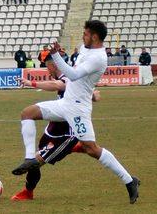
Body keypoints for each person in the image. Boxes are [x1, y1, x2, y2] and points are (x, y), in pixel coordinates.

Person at [12, 20, 140, 204]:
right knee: (27, 113)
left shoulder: (99, 58)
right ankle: (30, 158)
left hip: (78, 109)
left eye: (86, 34)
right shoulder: (85, 48)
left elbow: (72, 75)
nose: (83, 36)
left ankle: (129, 180)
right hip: (66, 103)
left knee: (92, 148)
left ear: (95, 37)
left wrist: (55, 56)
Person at [11, 55, 94, 201]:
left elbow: (58, 85)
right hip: (53, 130)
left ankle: (28, 192)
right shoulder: (70, 76)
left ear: (52, 65)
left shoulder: (66, 76)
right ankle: (76, 148)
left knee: (36, 161)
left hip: (66, 135)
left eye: (47, 66)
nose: (47, 70)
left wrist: (31, 83)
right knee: (34, 161)